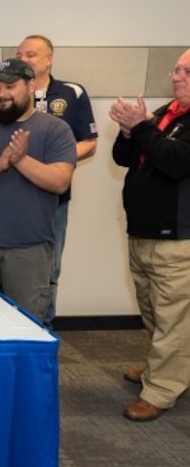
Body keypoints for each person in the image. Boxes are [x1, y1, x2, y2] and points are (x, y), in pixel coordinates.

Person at [0, 59, 76, 321]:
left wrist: (21, 160)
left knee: (27, 326)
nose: (2, 94)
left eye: (10, 86)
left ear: (31, 86)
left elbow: (60, 181)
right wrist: (0, 163)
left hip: (29, 251)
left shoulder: (55, 129)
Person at [110, 49, 190, 422]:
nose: (176, 76)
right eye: (176, 69)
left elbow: (175, 163)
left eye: (186, 71)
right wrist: (129, 132)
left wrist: (141, 128)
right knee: (154, 310)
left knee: (174, 319)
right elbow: (126, 158)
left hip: (176, 238)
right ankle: (162, 369)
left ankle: (161, 389)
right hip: (144, 232)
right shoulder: (166, 113)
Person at [17, 35, 98, 324]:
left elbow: (90, 142)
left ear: (49, 59)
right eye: (19, 55)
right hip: (14, 198)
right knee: (12, 266)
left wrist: (56, 157)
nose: (23, 60)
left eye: (31, 55)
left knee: (48, 268)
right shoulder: (8, 93)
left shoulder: (71, 92)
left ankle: (44, 328)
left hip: (54, 200)